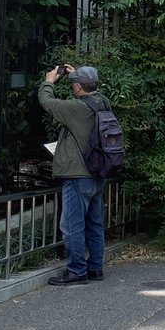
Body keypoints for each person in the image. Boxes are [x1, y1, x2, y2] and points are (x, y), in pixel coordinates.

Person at [37, 64, 111, 285]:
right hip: (98, 173)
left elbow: (47, 103)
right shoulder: (103, 102)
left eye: (75, 84)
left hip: (78, 174)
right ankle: (95, 268)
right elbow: (89, 88)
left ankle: (77, 270)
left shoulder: (77, 108)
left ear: (78, 86)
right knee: (94, 223)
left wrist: (49, 81)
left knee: (72, 225)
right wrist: (78, 75)